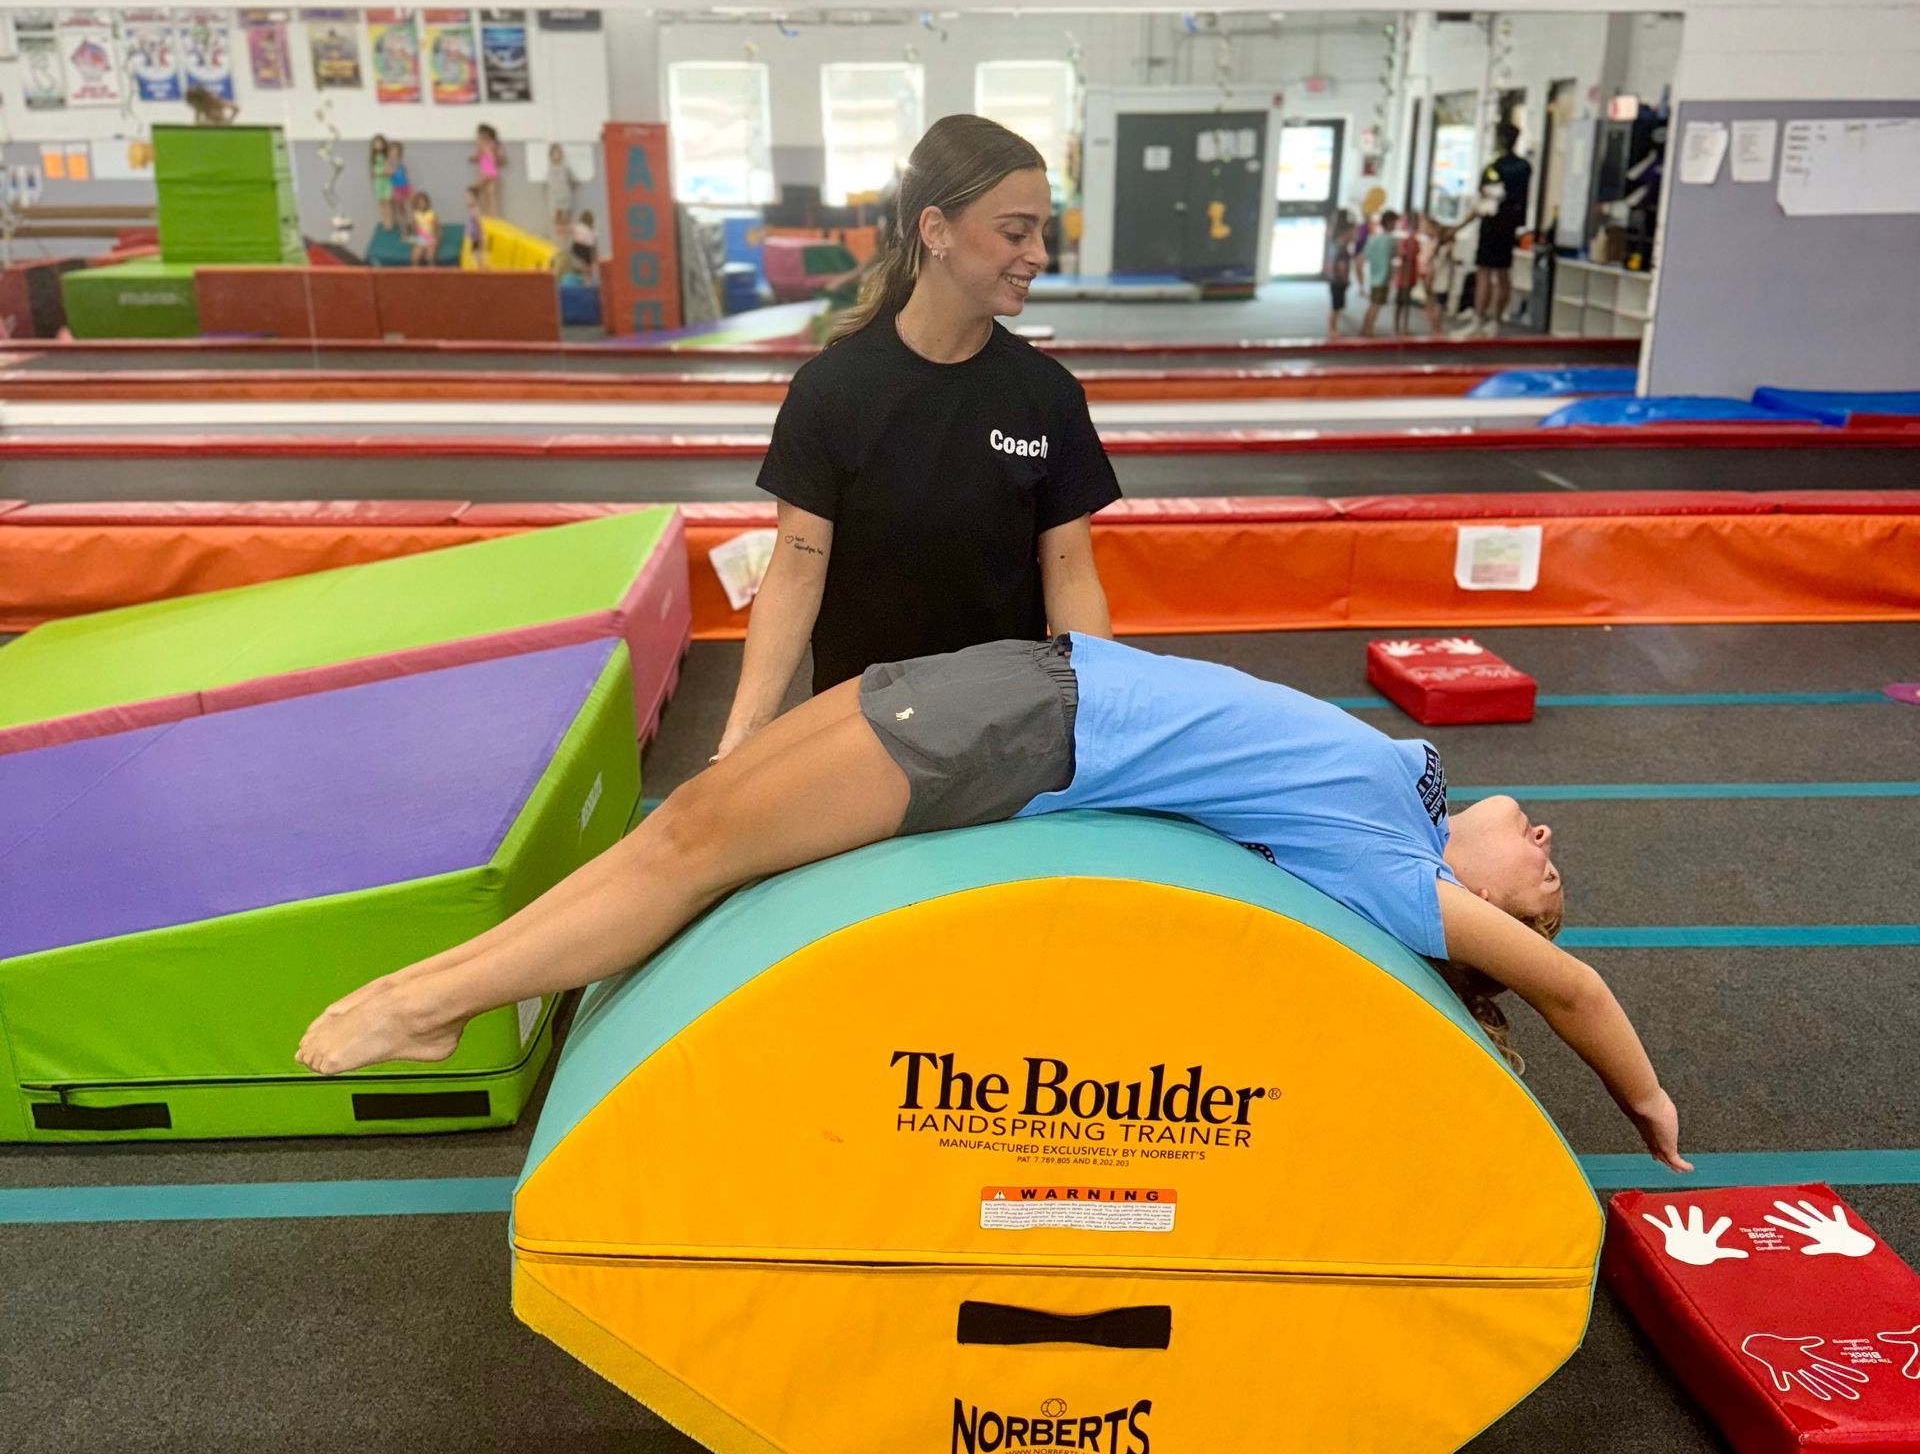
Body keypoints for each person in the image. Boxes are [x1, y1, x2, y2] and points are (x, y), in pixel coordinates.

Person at [292, 632, 1688, 1178]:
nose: (1550, 838)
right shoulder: (1399, 778)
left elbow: (1567, 987)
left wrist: (1641, 1105)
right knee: (694, 832)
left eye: (1545, 885)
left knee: (695, 852)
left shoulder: (1391, 858)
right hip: (1020, 682)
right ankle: (449, 988)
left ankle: (426, 1003)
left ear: (1473, 912)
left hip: (1018, 726)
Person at [715, 114, 1118, 762]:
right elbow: (794, 573)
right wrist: (744, 733)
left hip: (1002, 728)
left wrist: (1107, 713)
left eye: (1042, 230)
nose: (1040, 254)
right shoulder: (832, 393)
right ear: (936, 230)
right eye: (1016, 232)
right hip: (862, 736)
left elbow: (1070, 575)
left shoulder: (1047, 398)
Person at [1454, 121, 1533, 339]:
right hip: (1511, 226)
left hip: (1492, 225)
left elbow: (1485, 203)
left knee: (1484, 273)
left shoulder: (1493, 168)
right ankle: (1496, 321)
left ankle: (1478, 320)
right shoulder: (1524, 168)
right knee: (1503, 273)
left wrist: (1460, 225)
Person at [1358, 210, 1399, 337]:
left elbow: (1363, 257)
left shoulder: (1373, 239)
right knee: (1375, 305)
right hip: (1382, 277)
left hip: (1374, 275)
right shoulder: (1390, 240)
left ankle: (1366, 327)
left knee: (1373, 304)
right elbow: (1394, 255)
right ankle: (1368, 329)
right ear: (1390, 223)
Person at [1324, 211, 1355, 337]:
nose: (1354, 234)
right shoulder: (1341, 248)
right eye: (1352, 232)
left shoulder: (1334, 244)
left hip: (1334, 279)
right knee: (1335, 306)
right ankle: (1332, 328)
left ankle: (1333, 327)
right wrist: (1345, 279)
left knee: (1336, 305)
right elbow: (1342, 266)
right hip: (1338, 280)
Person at [1390, 211, 1421, 337]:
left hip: (1409, 275)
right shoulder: (1406, 240)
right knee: (1401, 303)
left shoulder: (1411, 239)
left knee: (1404, 303)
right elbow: (1403, 256)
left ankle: (1402, 327)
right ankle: (1397, 328)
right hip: (1404, 276)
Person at [472, 122, 505, 217]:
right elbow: (500, 157)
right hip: (492, 171)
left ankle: (485, 214)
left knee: (477, 192)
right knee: (491, 195)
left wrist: (474, 157)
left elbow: (475, 156)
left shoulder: (482, 144)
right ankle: (492, 216)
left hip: (486, 170)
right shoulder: (494, 144)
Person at [547, 143, 576, 243]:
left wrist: (571, 182)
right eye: (554, 154)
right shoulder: (550, 169)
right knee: (556, 221)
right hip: (555, 198)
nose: (557, 156)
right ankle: (557, 242)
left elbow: (572, 180)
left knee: (565, 221)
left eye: (558, 153)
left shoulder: (565, 168)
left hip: (565, 196)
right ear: (550, 156)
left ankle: (564, 242)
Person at [370, 135, 395, 234]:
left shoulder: (387, 156)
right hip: (378, 182)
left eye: (379, 143)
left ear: (383, 144)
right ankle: (384, 221)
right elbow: (373, 171)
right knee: (381, 203)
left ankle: (389, 223)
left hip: (386, 182)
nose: (377, 145)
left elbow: (390, 169)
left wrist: (385, 172)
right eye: (375, 143)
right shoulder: (373, 157)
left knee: (387, 202)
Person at [407, 188, 437, 267]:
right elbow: (413, 229)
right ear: (416, 204)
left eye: (424, 202)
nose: (422, 204)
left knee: (430, 257)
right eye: (419, 203)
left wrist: (434, 239)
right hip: (420, 238)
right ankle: (415, 275)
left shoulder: (431, 214)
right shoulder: (415, 215)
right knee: (414, 257)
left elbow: (436, 228)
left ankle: (433, 274)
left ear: (427, 203)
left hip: (430, 237)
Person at [569, 209, 598, 282]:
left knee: (578, 268)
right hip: (587, 251)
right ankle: (587, 281)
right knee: (588, 273)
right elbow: (594, 247)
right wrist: (594, 260)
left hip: (578, 249)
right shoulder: (592, 231)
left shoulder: (578, 226)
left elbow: (569, 229)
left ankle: (584, 273)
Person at [463, 187, 487, 269]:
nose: (466, 199)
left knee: (477, 255)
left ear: (475, 198)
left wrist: (481, 236)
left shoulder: (476, 209)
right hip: (473, 236)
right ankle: (479, 268)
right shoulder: (471, 209)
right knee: (475, 254)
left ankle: (480, 269)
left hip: (477, 237)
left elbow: (479, 223)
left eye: (468, 197)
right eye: (465, 197)